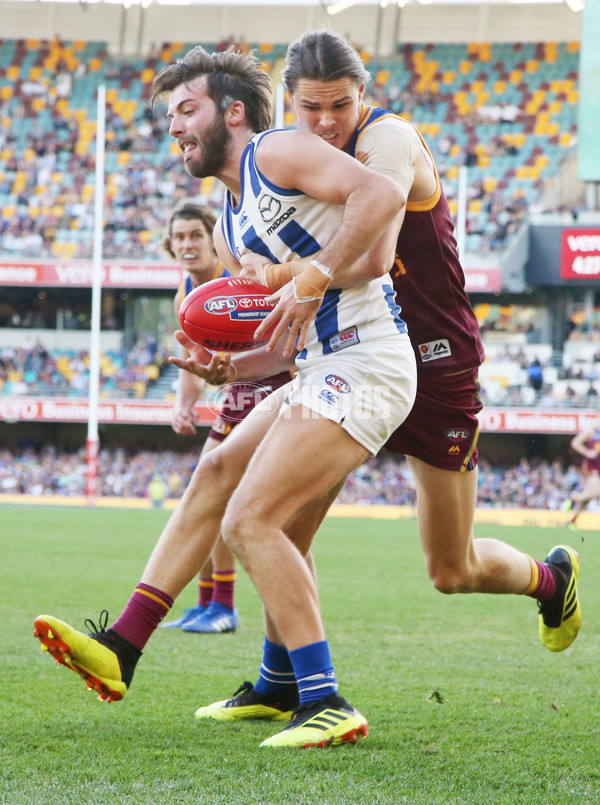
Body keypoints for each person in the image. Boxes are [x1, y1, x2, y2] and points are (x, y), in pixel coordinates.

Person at [192, 29, 582, 724]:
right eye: (310, 108)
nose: (325, 123)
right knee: (277, 523)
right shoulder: (293, 162)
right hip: (351, 357)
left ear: (362, 96)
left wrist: (281, 275)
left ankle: (552, 579)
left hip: (432, 359)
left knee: (450, 568)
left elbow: (373, 251)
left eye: (339, 105)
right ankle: (281, 682)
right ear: (289, 102)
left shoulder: (389, 141)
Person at [33, 44, 417, 748]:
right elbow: (282, 339)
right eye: (171, 117)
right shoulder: (232, 221)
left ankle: (326, 699)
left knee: (250, 521)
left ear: (231, 113)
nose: (174, 127)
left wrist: (312, 275)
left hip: (369, 361)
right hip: (324, 364)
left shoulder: (277, 151)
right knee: (214, 473)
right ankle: (123, 645)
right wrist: (231, 369)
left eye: (187, 110)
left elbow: (383, 195)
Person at [160, 200, 291, 634]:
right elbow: (193, 356)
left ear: (213, 241)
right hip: (236, 389)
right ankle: (206, 604)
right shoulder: (187, 293)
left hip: (264, 385)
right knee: (205, 493)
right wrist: (183, 404)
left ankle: (224, 606)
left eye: (196, 235)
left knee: (215, 495)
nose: (187, 244)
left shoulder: (233, 281)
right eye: (179, 237)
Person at [563, 413, 600, 530]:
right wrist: (587, 452)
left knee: (588, 497)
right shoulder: (592, 431)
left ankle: (572, 521)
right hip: (592, 467)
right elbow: (575, 442)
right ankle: (574, 499)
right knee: (596, 492)